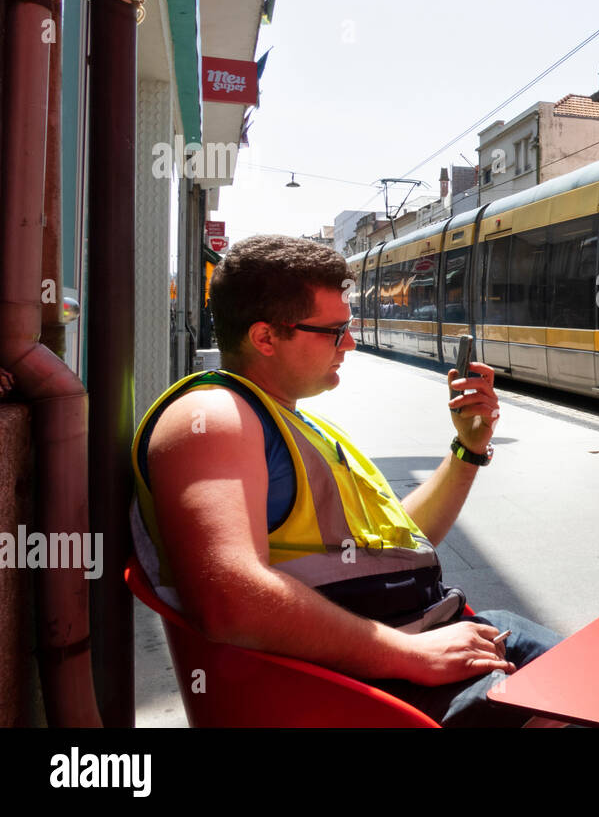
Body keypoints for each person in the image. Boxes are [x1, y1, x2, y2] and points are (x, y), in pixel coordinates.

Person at [131, 234, 561, 726]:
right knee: (593, 704)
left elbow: (405, 540)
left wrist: (468, 450)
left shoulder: (289, 420)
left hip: (424, 640)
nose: (351, 344)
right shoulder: (212, 416)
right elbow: (228, 599)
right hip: (364, 688)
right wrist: (409, 654)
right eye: (335, 331)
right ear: (265, 338)